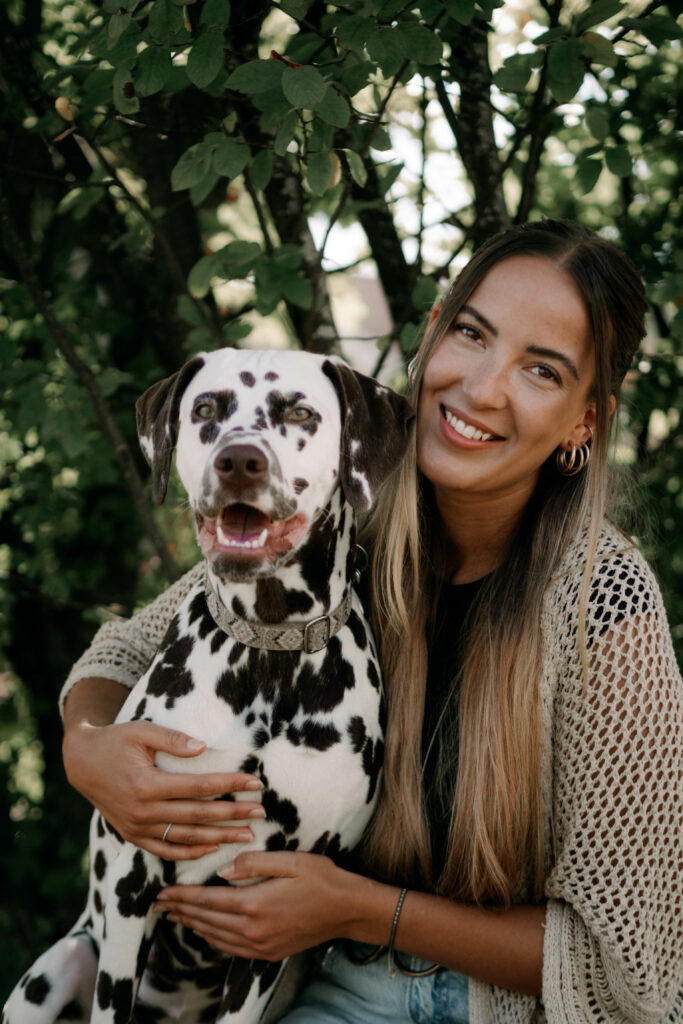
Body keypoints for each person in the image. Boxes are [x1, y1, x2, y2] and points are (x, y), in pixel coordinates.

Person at [60, 219, 683, 1023]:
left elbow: (628, 966)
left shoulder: (604, 605)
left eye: (540, 370)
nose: (483, 388)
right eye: (472, 333)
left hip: (474, 1007)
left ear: (583, 422)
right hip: (307, 983)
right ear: (431, 333)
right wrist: (89, 749)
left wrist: (359, 909)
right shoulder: (337, 521)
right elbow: (131, 648)